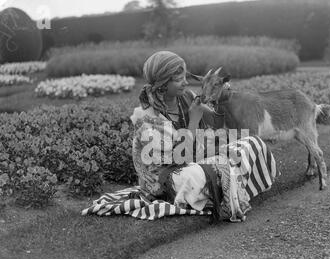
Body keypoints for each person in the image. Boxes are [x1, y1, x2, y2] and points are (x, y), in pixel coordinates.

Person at [82, 51, 277, 223]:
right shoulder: (148, 117)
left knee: (252, 142)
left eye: (185, 76)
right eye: (178, 79)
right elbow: (176, 159)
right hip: (168, 177)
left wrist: (220, 97)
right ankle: (224, 190)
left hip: (196, 160)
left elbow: (218, 123)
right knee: (200, 174)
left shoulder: (186, 96)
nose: (185, 82)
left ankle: (224, 187)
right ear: (162, 84)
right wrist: (194, 120)